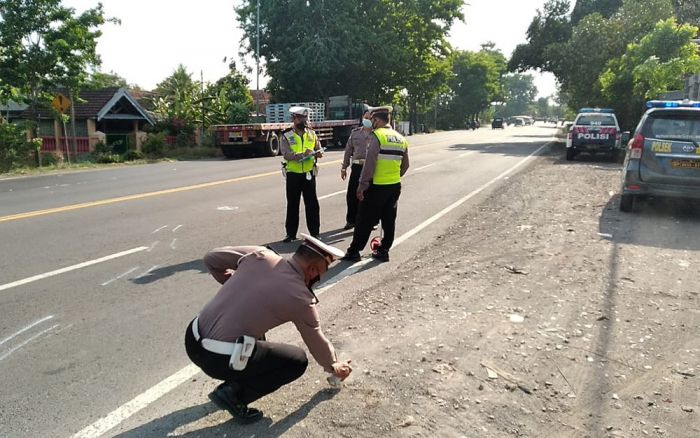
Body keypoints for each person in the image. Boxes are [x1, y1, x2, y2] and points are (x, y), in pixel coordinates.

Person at [184, 234, 353, 423]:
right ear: (313, 270)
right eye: (322, 272)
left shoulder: (259, 255)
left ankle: (240, 377)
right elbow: (316, 340)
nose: (320, 277)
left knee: (255, 327)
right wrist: (333, 365)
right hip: (216, 360)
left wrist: (231, 280)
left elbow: (211, 258)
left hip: (192, 337)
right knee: (296, 361)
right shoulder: (301, 298)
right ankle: (233, 394)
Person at [341, 105, 409, 263]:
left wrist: (362, 185)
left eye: (372, 119)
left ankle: (354, 251)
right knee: (388, 219)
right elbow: (405, 165)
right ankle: (384, 250)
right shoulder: (400, 138)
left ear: (377, 120)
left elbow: (369, 164)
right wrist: (394, 176)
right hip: (394, 186)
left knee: (363, 219)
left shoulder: (377, 136)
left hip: (376, 186)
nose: (370, 122)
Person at [280, 106, 324, 243]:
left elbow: (319, 148)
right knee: (293, 204)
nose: (304, 120)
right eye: (301, 118)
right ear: (294, 119)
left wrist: (319, 153)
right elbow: (286, 154)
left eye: (305, 118)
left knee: (312, 204)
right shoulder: (286, 135)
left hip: (309, 173)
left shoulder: (312, 133)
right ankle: (291, 234)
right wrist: (300, 155)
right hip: (293, 174)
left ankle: (315, 233)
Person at [340, 109, 373, 230]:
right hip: (357, 166)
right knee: (352, 194)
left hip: (371, 167)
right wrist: (344, 167)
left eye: (370, 118)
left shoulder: (377, 134)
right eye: (366, 117)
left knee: (369, 195)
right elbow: (348, 150)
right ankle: (351, 221)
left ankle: (370, 221)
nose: (367, 120)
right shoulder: (355, 133)